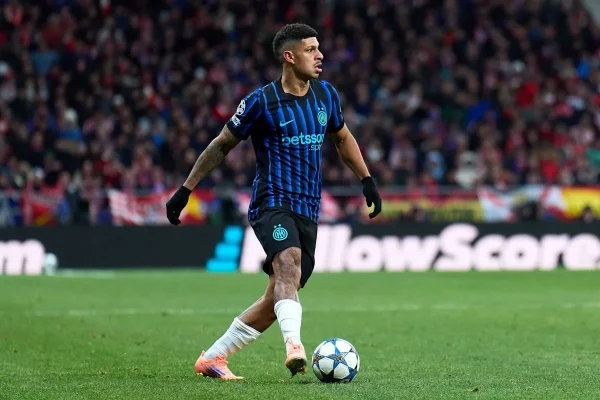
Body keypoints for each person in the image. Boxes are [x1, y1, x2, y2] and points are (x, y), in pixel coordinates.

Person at [165, 23, 382, 380]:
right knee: (288, 262)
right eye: (311, 49)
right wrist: (186, 189)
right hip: (272, 203)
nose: (320, 55)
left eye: (318, 48)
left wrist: (367, 180)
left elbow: (343, 139)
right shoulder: (261, 102)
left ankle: (214, 358)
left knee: (279, 294)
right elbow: (222, 144)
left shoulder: (326, 95)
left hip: (308, 209)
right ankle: (294, 347)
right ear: (289, 56)